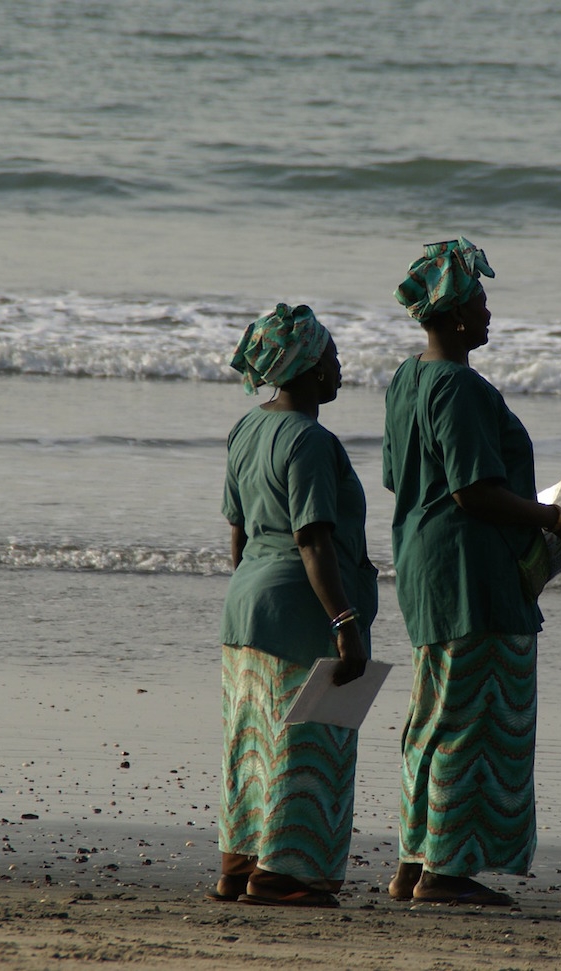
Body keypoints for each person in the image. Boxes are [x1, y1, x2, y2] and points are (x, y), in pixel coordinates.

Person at [381, 239, 561, 906]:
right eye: (482, 303)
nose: (491, 314)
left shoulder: (408, 379)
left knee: (436, 713)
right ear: (457, 316)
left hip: (425, 562)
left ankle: (416, 860)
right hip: (471, 572)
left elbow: (397, 476)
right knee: (474, 716)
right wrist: (548, 519)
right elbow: (473, 490)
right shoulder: (460, 387)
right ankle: (445, 870)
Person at [213, 303, 378, 908]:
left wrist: (260, 590)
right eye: (331, 357)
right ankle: (285, 875)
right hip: (301, 608)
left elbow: (238, 532)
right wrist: (344, 620)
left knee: (251, 742)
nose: (339, 368)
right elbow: (313, 538)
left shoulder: (247, 428)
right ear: (307, 368)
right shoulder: (310, 440)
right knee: (306, 744)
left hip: (247, 606)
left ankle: (240, 865)